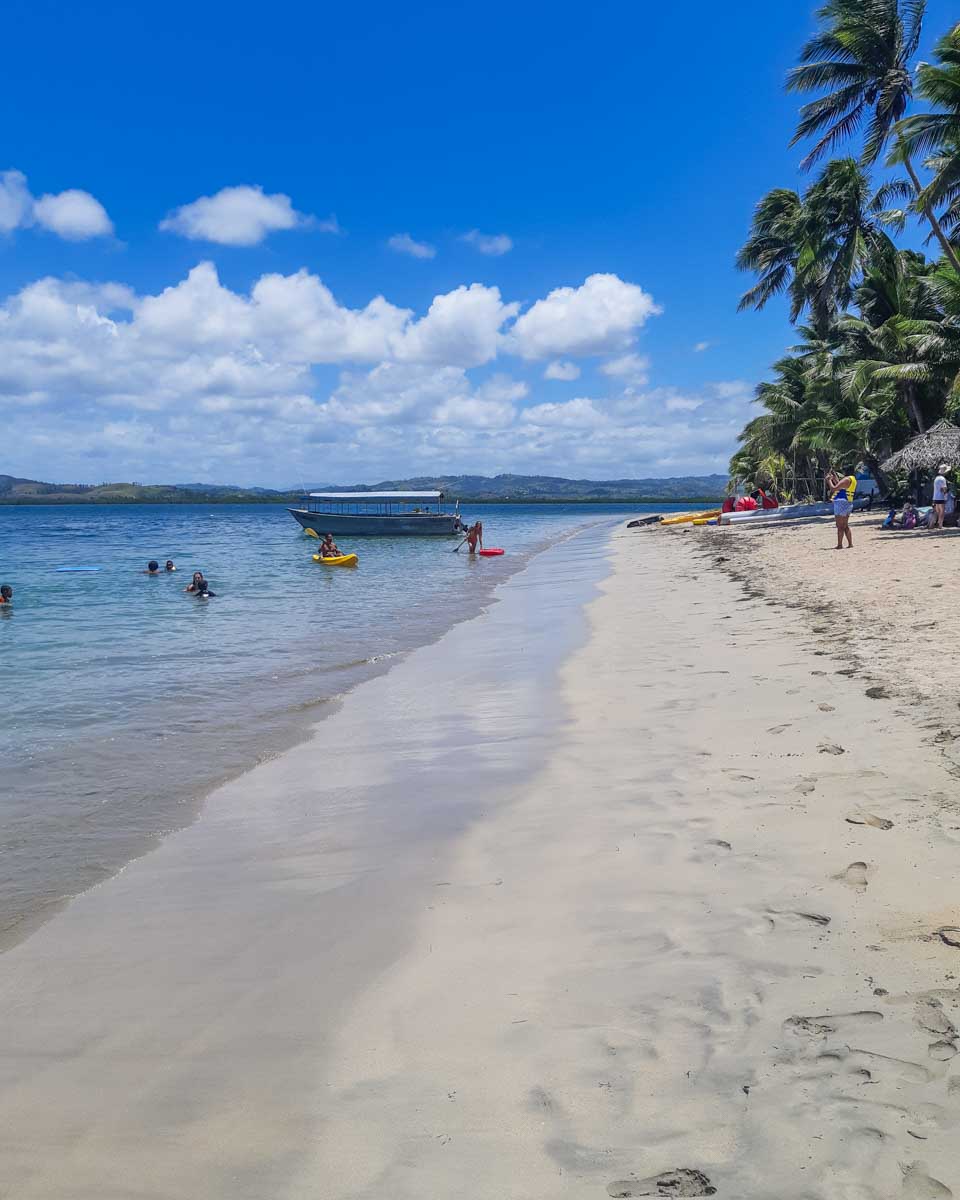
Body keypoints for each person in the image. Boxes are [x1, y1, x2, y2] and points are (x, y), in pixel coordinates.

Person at [826, 469, 857, 549]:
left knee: (839, 526)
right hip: (848, 502)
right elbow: (839, 485)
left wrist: (829, 481)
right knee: (845, 525)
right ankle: (850, 544)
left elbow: (833, 488)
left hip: (841, 504)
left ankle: (840, 545)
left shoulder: (846, 479)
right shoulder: (852, 480)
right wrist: (834, 478)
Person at [932, 464, 949, 531]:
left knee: (938, 511)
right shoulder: (943, 479)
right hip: (941, 497)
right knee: (942, 512)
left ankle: (935, 523)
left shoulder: (936, 478)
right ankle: (940, 525)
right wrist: (946, 493)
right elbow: (944, 489)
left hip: (935, 497)